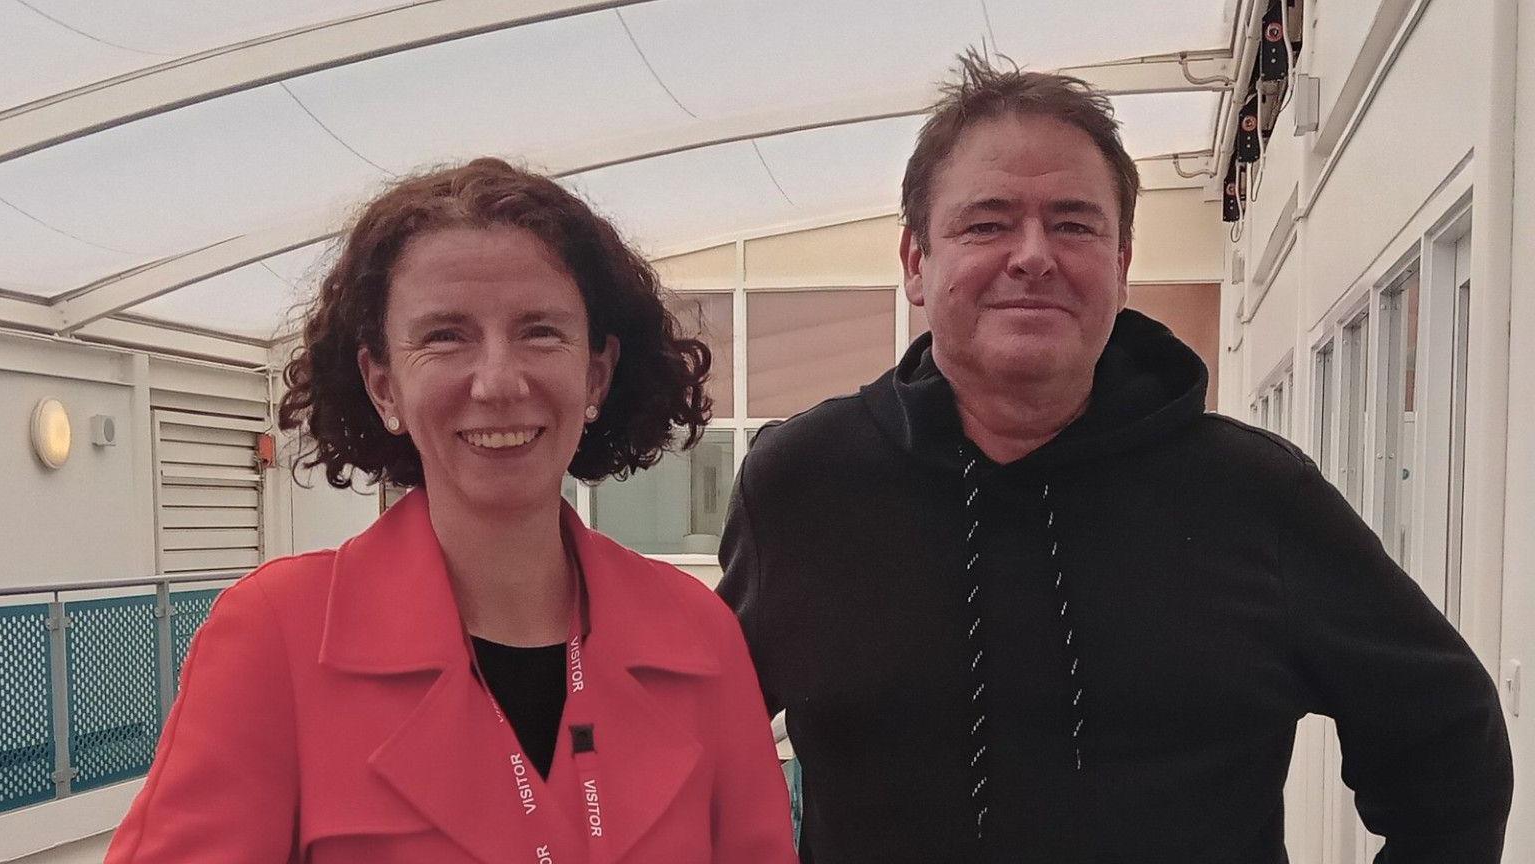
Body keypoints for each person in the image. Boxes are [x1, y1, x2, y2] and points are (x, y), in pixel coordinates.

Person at [717, 52, 1512, 863]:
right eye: (987, 223)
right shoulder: (804, 487)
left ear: (1122, 265)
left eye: (1074, 223)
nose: (1033, 255)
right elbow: (692, 753)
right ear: (917, 264)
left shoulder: (1254, 496)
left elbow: (1449, 740)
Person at [107, 158, 797, 864]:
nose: (498, 380)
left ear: (596, 373)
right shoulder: (274, 640)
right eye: (445, 336)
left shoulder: (700, 640)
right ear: (383, 385)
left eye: (540, 331)